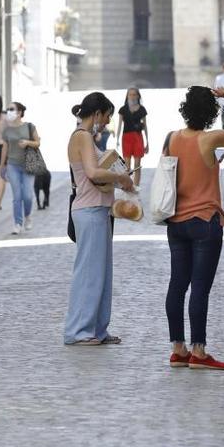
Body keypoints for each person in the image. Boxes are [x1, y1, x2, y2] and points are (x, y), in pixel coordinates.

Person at [163, 86, 224, 371]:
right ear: (211, 113)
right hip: (204, 222)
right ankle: (198, 351)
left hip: (176, 223)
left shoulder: (171, 138)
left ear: (185, 108)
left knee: (177, 285)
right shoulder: (211, 139)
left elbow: (170, 173)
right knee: (200, 287)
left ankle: (178, 348)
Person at [64, 93, 134, 345]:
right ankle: (79, 331)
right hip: (89, 209)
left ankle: (97, 329)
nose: (106, 122)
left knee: (101, 273)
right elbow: (93, 172)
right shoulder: (82, 136)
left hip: (99, 209)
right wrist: (121, 178)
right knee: (88, 274)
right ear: (96, 114)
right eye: (106, 116)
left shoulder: (86, 137)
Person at [0, 102, 39, 235]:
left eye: (12, 109)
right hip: (12, 165)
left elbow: (38, 142)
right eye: (8, 109)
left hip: (28, 165)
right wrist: (2, 166)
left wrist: (27, 142)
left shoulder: (29, 126)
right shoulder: (6, 130)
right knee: (17, 196)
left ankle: (28, 216)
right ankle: (17, 223)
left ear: (19, 112)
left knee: (27, 195)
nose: (9, 111)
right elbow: (4, 148)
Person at [119, 87, 149, 187]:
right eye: (130, 94)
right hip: (126, 137)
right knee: (127, 166)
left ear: (138, 96)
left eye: (134, 94)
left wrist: (147, 142)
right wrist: (117, 139)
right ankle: (128, 185)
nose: (132, 96)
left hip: (138, 137)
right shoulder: (123, 110)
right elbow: (120, 125)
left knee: (137, 165)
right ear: (127, 96)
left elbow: (145, 126)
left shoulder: (142, 109)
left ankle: (136, 186)